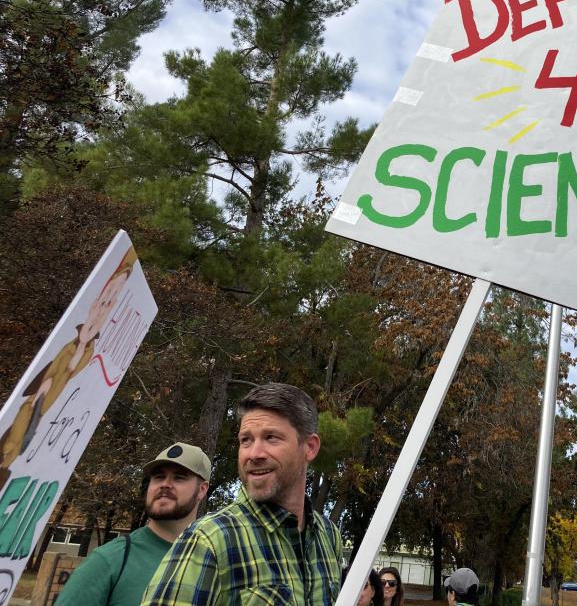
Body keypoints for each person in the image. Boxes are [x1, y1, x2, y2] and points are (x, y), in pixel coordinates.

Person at [143, 382, 343, 606]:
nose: (254, 454)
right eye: (245, 440)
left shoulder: (328, 536)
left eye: (271, 437)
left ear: (310, 447)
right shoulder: (209, 539)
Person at [0, 246, 137, 490]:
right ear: (95, 300)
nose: (102, 309)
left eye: (109, 304)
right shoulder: (69, 344)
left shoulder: (87, 351)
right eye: (103, 300)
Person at [57, 442, 211, 606]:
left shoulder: (213, 561)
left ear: (202, 490)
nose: (165, 484)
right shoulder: (108, 560)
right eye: (158, 477)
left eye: (179, 477)